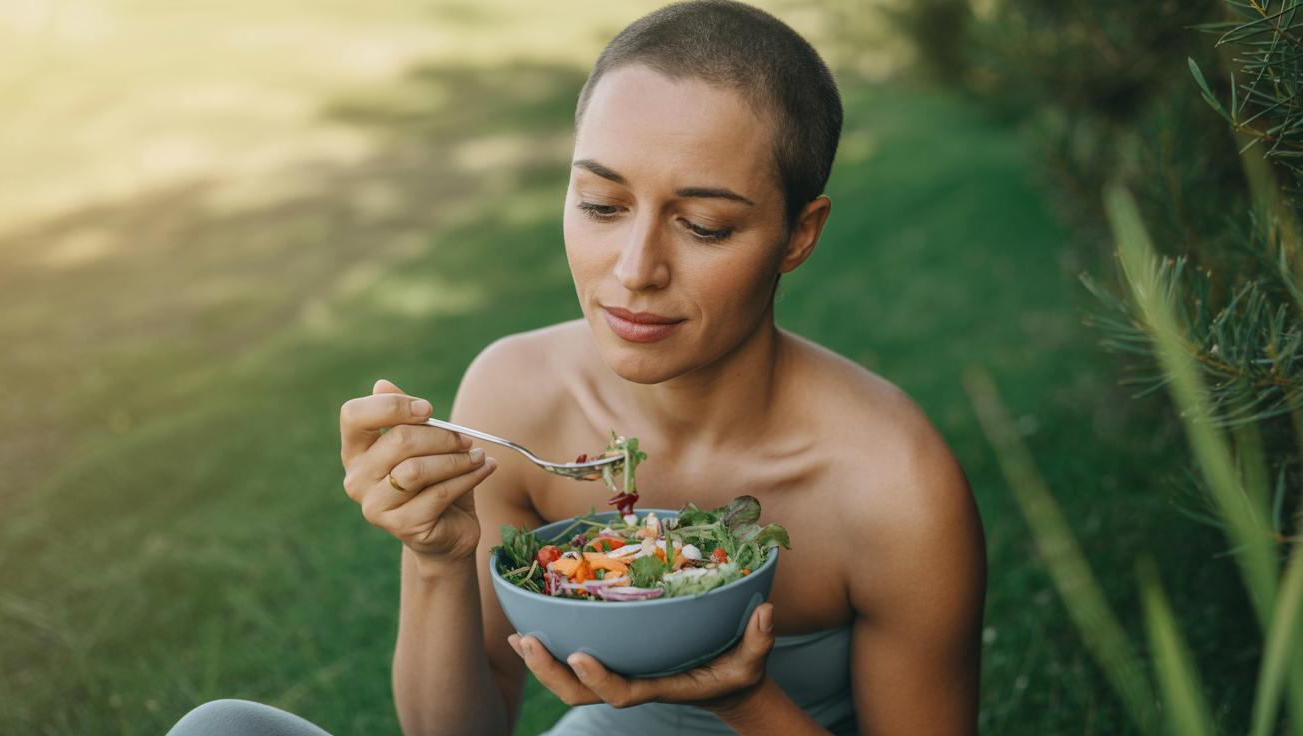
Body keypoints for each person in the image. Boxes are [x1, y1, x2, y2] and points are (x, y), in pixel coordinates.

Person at [166, 2, 985, 735]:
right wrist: (436, 558)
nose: (634, 270)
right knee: (219, 728)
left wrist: (742, 701)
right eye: (601, 206)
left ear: (799, 235)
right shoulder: (519, 398)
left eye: (703, 225)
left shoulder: (894, 485)